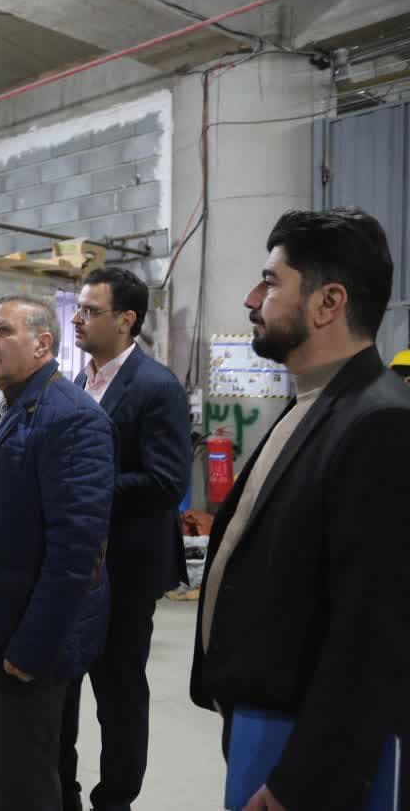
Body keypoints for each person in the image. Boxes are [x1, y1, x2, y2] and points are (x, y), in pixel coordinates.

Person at [191, 208, 410, 811]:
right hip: (266, 719)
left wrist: (305, 779)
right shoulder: (317, 403)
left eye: (270, 281)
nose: (251, 298)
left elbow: (374, 634)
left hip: (303, 744)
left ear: (327, 303)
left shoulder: (379, 423)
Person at [0, 295, 115, 811]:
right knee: (8, 775)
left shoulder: (72, 419)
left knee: (24, 786)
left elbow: (76, 552)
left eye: (2, 331)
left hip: (21, 645)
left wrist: (31, 648)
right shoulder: (10, 409)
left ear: (42, 344)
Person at [60, 268, 190, 811]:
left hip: (127, 568)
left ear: (126, 320)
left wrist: (85, 487)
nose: (77, 319)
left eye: (90, 311)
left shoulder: (155, 386)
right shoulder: (77, 382)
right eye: (79, 309)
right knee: (62, 689)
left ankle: (114, 800)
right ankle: (61, 793)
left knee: (118, 693)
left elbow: (167, 481)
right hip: (75, 564)